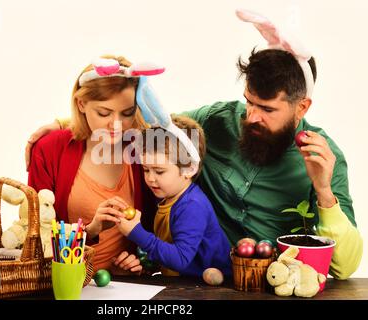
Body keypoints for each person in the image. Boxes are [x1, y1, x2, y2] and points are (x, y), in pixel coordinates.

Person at [25, 19, 362, 280]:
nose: (251, 116)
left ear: (302, 107)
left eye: (267, 110)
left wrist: (323, 191)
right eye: (248, 102)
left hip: (270, 284)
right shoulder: (218, 120)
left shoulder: (323, 158)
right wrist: (67, 121)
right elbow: (151, 124)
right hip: (196, 279)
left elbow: (343, 269)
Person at [27, 55, 160, 274]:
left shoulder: (141, 148)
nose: (116, 125)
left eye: (127, 113)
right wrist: (90, 230)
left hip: (125, 289)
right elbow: (35, 237)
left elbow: (157, 231)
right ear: (81, 104)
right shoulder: (49, 150)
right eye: (104, 113)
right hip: (66, 285)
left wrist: (138, 262)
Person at [116, 115, 231, 277]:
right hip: (179, 282)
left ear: (189, 169)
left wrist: (136, 233)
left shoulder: (192, 206)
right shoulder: (167, 196)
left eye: (159, 171)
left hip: (210, 288)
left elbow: (181, 259)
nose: (150, 178)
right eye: (146, 169)